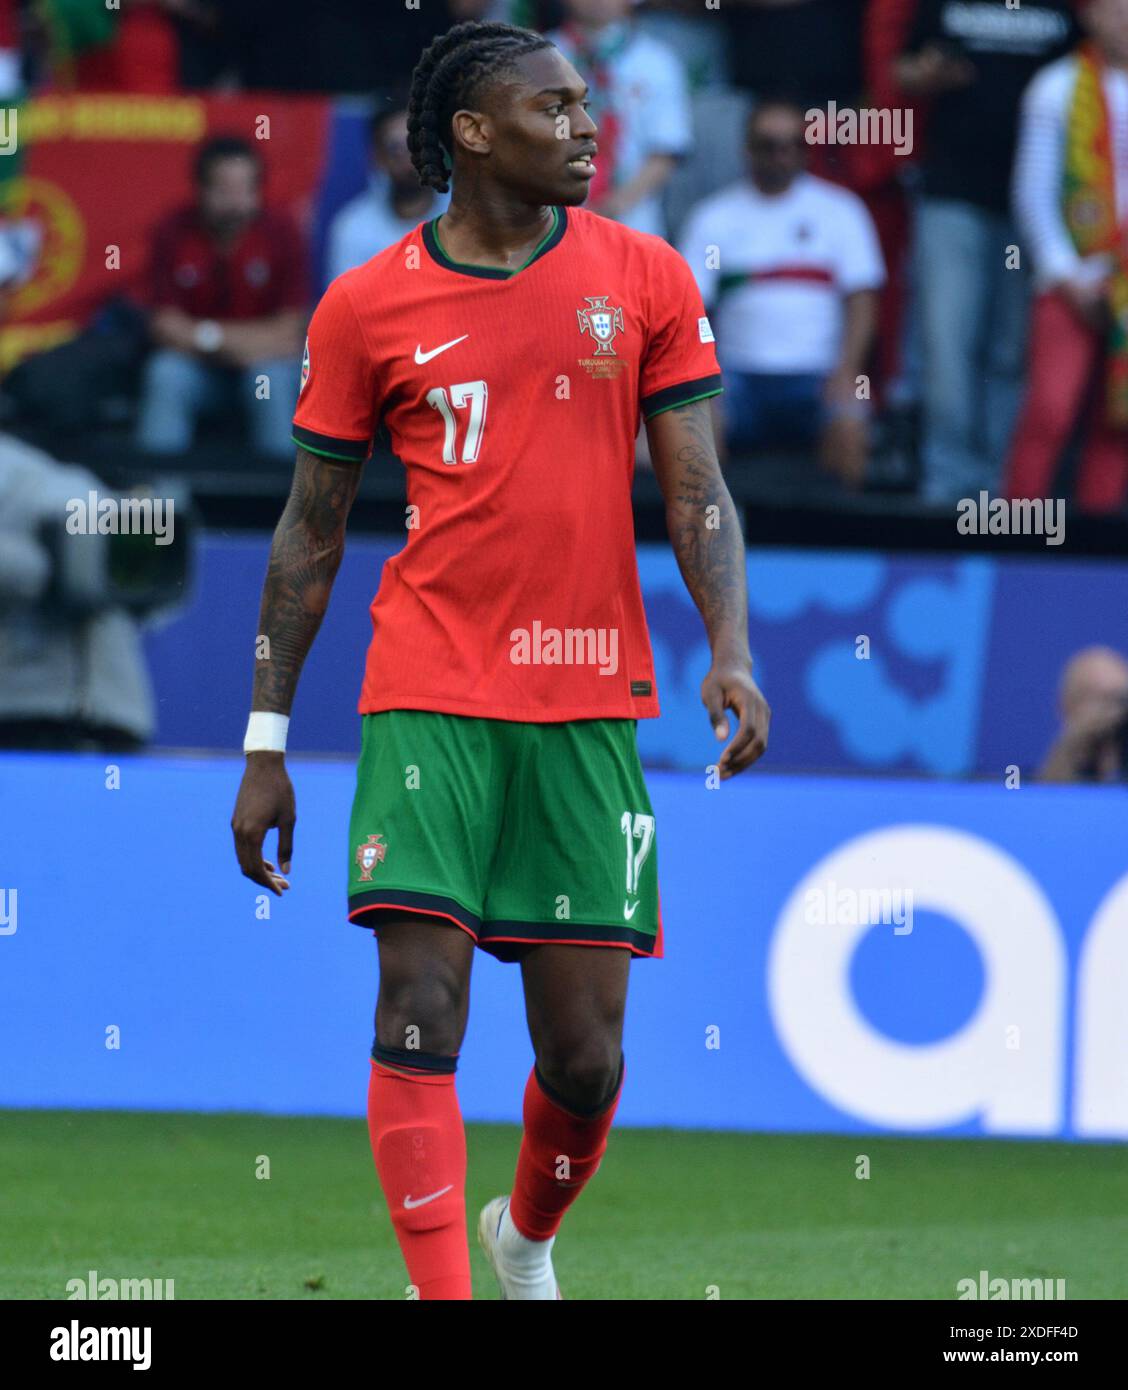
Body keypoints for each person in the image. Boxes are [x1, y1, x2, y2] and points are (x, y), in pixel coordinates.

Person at [230, 18, 770, 1301]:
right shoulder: (365, 305)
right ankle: (443, 1295)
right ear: (472, 133)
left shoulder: (645, 276)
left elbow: (697, 491)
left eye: (586, 106)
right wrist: (265, 741)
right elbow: (309, 533)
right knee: (418, 1003)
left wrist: (731, 650)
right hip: (428, 690)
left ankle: (522, 1238)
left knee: (583, 1059)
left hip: (587, 702)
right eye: (555, 108)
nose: (588, 127)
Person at [895, 0, 1077, 504]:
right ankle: (948, 486)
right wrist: (928, 73)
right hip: (952, 196)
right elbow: (903, 71)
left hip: (1032, 202)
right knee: (947, 342)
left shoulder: (1060, 9)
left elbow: (1086, 83)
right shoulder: (945, 5)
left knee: (1010, 350)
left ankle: (1003, 490)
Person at [678, 100, 884, 487]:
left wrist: (847, 370)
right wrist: (704, 371)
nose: (782, 154)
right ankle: (713, 538)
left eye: (794, 144)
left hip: (820, 374)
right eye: (769, 144)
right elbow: (692, 311)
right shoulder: (713, 217)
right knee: (695, 419)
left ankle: (842, 541)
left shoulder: (842, 211)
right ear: (747, 149)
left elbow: (862, 302)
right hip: (735, 375)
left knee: (851, 417)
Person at [1005, 0, 1128, 514]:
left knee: (1118, 420)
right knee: (1050, 412)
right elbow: (1032, 195)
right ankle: (1014, 531)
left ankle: (1097, 549)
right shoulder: (1055, 86)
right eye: (1116, 7)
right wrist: (1064, 275)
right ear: (1089, 15)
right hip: (1071, 279)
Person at [135, 137, 307, 461]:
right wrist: (229, 343)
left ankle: (283, 505)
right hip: (198, 369)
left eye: (245, 189)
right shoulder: (172, 230)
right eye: (223, 189)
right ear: (200, 188)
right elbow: (162, 327)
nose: (235, 201)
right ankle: (160, 502)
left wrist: (205, 336)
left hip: (260, 367)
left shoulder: (282, 232)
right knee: (165, 373)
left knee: (268, 379)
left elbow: (290, 334)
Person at [547, 0, 692, 238]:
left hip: (633, 223)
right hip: (554, 221)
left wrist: (613, 206)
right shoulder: (540, 58)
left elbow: (666, 150)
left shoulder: (657, 62)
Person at [326, 102, 449, 282]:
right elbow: (348, 306)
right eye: (396, 150)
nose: (410, 160)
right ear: (378, 157)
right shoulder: (352, 228)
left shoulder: (469, 218)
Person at [1039, 646, 1128, 782]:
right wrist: (1071, 748)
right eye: (1095, 698)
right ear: (1065, 704)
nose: (1109, 711)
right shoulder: (1016, 782)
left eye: (1118, 700)